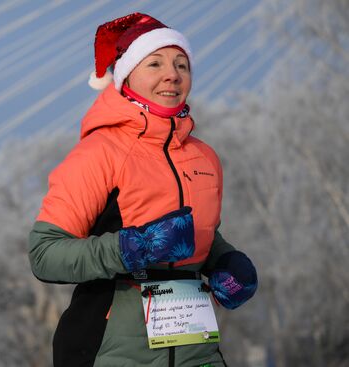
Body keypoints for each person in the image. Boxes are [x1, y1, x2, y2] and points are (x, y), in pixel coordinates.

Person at [29, 13, 257, 367]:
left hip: (195, 351)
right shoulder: (100, 152)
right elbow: (44, 254)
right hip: (109, 351)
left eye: (183, 64)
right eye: (155, 63)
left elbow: (198, 234)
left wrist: (225, 261)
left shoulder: (205, 156)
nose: (173, 74)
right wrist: (129, 249)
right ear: (127, 76)